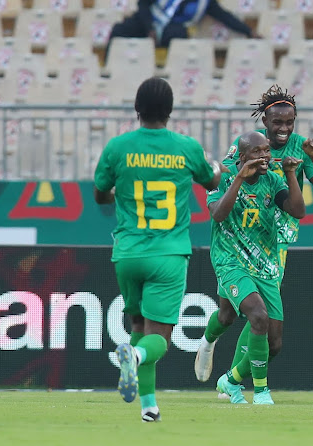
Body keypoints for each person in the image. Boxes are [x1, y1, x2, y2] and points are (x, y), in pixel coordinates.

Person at [94, 77, 222, 422]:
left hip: (128, 253)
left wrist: (117, 192)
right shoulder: (185, 147)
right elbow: (212, 181)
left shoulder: (118, 148)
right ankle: (133, 358)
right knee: (159, 339)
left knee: (138, 324)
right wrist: (215, 167)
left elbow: (99, 194)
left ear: (137, 109)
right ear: (169, 111)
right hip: (167, 252)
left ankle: (149, 406)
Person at [195, 84, 313, 394]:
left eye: (290, 122)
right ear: (265, 122)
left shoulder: (300, 147)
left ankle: (232, 380)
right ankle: (208, 340)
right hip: (239, 234)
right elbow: (226, 174)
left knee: (258, 315)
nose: (284, 129)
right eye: (278, 123)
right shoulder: (245, 145)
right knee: (228, 314)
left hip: (276, 238)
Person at [202, 130, 306, 405]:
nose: (264, 156)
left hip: (265, 265)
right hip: (230, 261)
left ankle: (231, 380)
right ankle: (261, 392)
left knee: (274, 343)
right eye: (257, 152)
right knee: (257, 315)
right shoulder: (221, 180)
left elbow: (298, 211)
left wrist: (291, 174)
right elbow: (219, 214)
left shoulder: (272, 180)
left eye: (267, 151)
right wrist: (239, 178)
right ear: (242, 155)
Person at [107, 0, 260, 51]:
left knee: (180, 37)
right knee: (119, 30)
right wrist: (150, 28)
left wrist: (248, 31)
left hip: (173, 29)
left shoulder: (205, 2)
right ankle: (108, 71)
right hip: (149, 21)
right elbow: (143, 4)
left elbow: (225, 16)